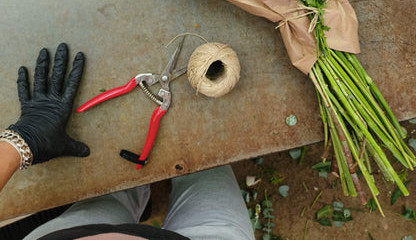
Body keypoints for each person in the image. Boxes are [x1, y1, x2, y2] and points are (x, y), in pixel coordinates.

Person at [0, 44, 255, 240]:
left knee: (117, 191)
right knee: (205, 162)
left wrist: (20, 142)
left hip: (79, 232)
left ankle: (133, 189)